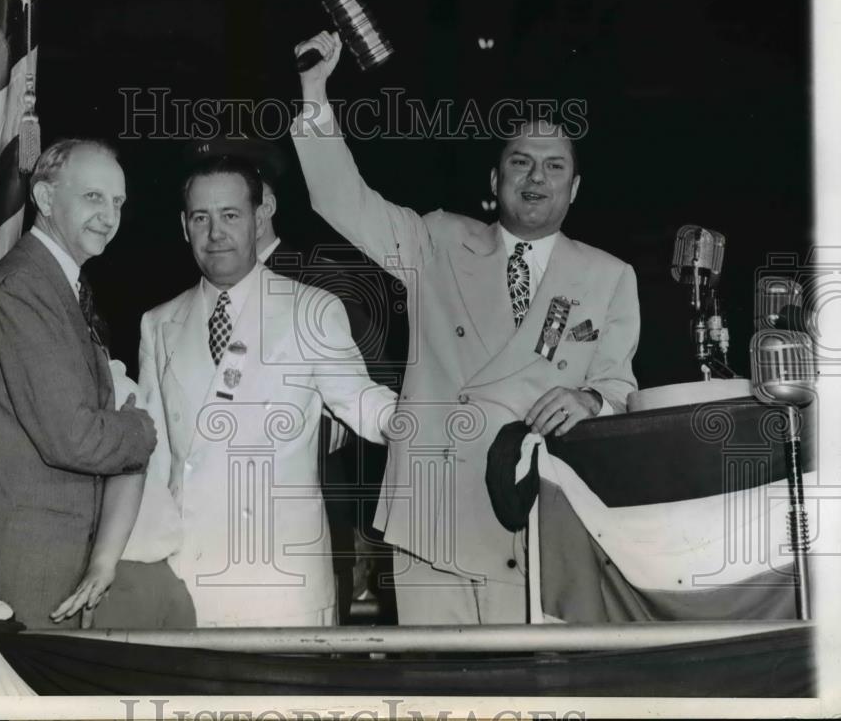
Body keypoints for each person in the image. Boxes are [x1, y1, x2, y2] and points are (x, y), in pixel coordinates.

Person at [290, 31, 640, 625]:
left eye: (554, 166)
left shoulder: (609, 276)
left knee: (524, 701)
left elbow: (620, 390)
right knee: (437, 699)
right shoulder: (437, 239)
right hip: (433, 517)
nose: (536, 177)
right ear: (494, 179)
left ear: (574, 188)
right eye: (520, 162)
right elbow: (342, 200)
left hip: (535, 521)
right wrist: (316, 92)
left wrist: (588, 398)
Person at [136, 149, 397, 626]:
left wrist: (420, 421)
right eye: (201, 218)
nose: (215, 234)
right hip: (186, 577)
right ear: (183, 225)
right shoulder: (158, 323)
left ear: (259, 220)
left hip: (280, 584)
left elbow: (362, 400)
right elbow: (152, 459)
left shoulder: (310, 309)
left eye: (230, 215)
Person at [0, 139, 158, 629]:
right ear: (44, 200)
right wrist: (142, 429)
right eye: (93, 197)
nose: (109, 215)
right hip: (21, 573)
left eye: (118, 202)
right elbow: (76, 439)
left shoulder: (58, 286)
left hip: (51, 569)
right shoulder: (24, 289)